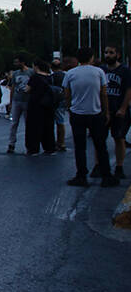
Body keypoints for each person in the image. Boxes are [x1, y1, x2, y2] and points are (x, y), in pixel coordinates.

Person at [64, 47, 119, 187]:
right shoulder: (99, 72)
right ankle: (106, 176)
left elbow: (67, 93)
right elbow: (104, 93)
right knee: (101, 146)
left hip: (77, 113)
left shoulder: (70, 73)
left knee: (80, 147)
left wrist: (70, 108)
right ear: (91, 58)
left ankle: (81, 176)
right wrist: (106, 112)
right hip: (95, 113)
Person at [99, 45, 131, 179]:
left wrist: (123, 108)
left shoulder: (124, 70)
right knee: (99, 139)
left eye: (111, 52)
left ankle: (119, 166)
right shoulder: (101, 70)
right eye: (106, 52)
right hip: (103, 110)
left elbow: (129, 90)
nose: (108, 55)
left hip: (118, 108)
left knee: (119, 138)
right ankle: (98, 165)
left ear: (117, 55)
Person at [24, 59, 56, 155]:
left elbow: (27, 89)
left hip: (35, 105)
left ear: (36, 67)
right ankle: (49, 147)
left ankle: (33, 148)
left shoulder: (35, 77)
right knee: (48, 127)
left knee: (34, 127)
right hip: (49, 105)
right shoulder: (50, 77)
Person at [7, 54, 33, 154]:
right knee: (14, 123)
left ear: (22, 62)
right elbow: (12, 87)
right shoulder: (15, 73)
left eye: (17, 62)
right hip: (17, 100)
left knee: (28, 124)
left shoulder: (31, 72)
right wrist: (10, 102)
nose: (16, 64)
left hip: (27, 100)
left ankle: (29, 144)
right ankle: (11, 143)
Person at [50, 59, 68, 152]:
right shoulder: (66, 75)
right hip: (63, 99)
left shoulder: (52, 77)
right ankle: (62, 142)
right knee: (61, 122)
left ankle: (59, 142)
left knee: (55, 122)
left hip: (54, 101)